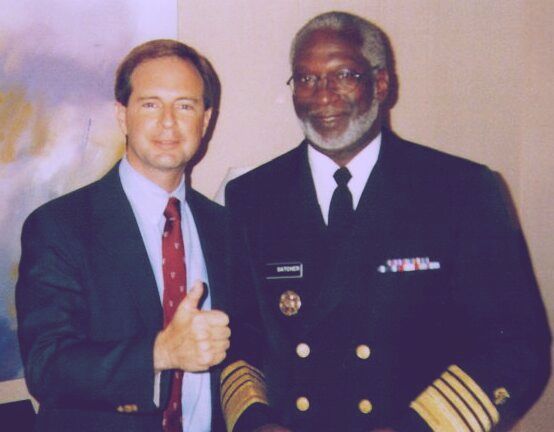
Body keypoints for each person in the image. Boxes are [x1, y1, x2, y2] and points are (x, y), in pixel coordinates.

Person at [221, 11, 551, 432]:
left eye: (343, 75)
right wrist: (255, 422)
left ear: (380, 84)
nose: (323, 96)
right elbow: (237, 334)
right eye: (306, 79)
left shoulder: (460, 190)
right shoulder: (252, 197)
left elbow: (515, 344)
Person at [16, 39, 231, 431]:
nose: (168, 122)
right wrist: (160, 353)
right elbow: (46, 367)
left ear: (205, 120)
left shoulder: (227, 227)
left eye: (185, 106)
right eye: (150, 104)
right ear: (122, 116)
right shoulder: (59, 227)